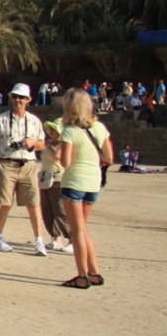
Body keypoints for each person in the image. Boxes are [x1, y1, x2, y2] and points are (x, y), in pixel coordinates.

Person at [58, 89, 114, 289]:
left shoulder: (70, 131)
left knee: (77, 231)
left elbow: (65, 162)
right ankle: (94, 271)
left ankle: (82, 275)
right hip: (93, 182)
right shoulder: (99, 128)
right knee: (82, 229)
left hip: (75, 181)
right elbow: (108, 157)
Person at [0, 82, 47, 255]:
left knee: (33, 204)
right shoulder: (0, 120)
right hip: (7, 163)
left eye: (22, 97)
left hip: (28, 164)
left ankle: (39, 240)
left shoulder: (34, 121)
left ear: (28, 100)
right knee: (6, 203)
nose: (18, 100)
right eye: (15, 97)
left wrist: (32, 143)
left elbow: (42, 144)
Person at [38, 120, 72, 254]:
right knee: (47, 211)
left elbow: (58, 156)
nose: (51, 133)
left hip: (58, 179)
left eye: (54, 131)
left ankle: (71, 239)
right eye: (50, 131)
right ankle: (55, 238)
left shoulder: (64, 145)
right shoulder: (49, 144)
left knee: (60, 210)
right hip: (45, 178)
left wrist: (51, 146)